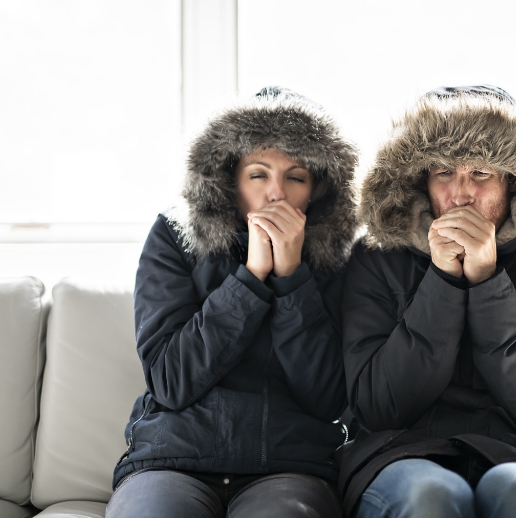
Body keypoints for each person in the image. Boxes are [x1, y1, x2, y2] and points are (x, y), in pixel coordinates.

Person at [338, 85, 516, 518]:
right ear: (421, 182)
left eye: (481, 174)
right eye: (444, 173)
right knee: (430, 497)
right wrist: (442, 281)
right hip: (400, 453)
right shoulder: (374, 259)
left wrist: (487, 281)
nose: (461, 194)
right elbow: (379, 408)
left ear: (513, 180)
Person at [107, 87, 358, 518]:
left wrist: (292, 277)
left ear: (316, 192)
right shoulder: (174, 237)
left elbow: (328, 397)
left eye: (295, 177)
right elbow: (171, 380)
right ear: (229, 180)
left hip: (289, 468)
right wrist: (250, 278)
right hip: (172, 462)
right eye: (258, 175)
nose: (275, 194)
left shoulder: (341, 258)